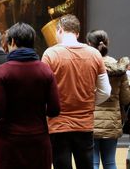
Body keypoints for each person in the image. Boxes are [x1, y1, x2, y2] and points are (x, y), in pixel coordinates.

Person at [0, 22, 61, 169]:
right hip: (38, 139)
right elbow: (54, 110)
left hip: (10, 142)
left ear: (13, 42)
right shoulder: (45, 70)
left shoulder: (2, 72)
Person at [42, 14, 112, 169]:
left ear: (59, 30)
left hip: (57, 125)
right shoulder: (94, 54)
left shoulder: (50, 54)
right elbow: (106, 91)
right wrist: (88, 101)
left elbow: (42, 90)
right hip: (84, 124)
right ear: (78, 33)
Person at [86, 30, 130, 169]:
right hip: (112, 122)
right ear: (107, 43)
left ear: (88, 44)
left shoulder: (87, 66)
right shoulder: (119, 68)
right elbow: (126, 99)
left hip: (90, 120)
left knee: (93, 162)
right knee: (110, 161)